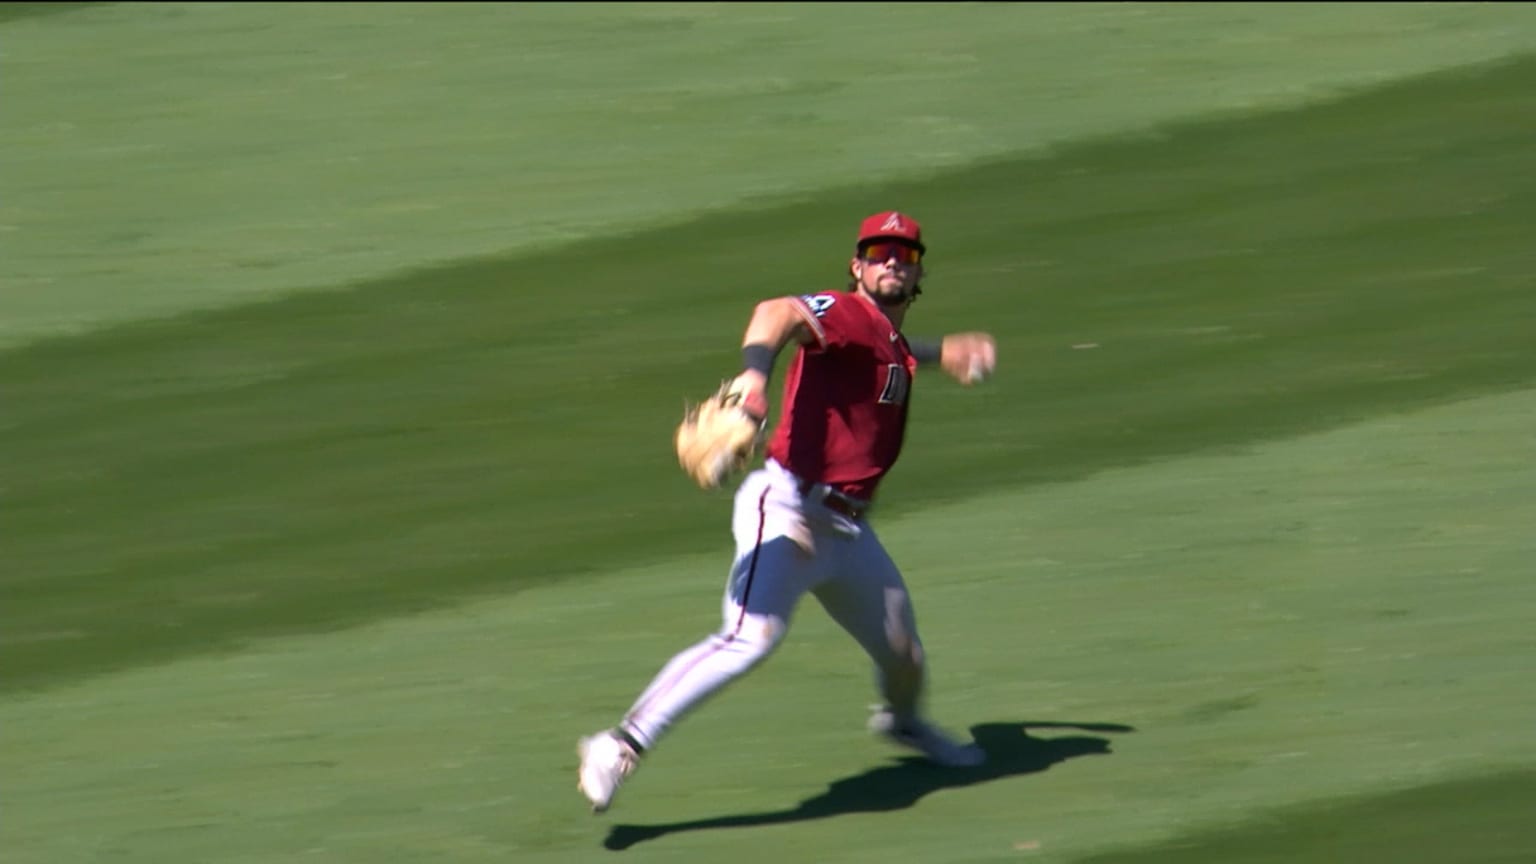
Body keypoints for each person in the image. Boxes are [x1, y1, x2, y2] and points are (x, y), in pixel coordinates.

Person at [577, 210, 999, 813]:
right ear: (857, 266)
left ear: (918, 272)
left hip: (847, 531)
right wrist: (754, 377)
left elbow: (890, 354)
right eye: (878, 253)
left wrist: (940, 353)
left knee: (904, 652)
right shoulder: (845, 312)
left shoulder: (887, 341)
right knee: (751, 637)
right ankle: (619, 745)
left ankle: (903, 725)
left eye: (903, 256)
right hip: (788, 509)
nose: (890, 263)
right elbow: (777, 312)